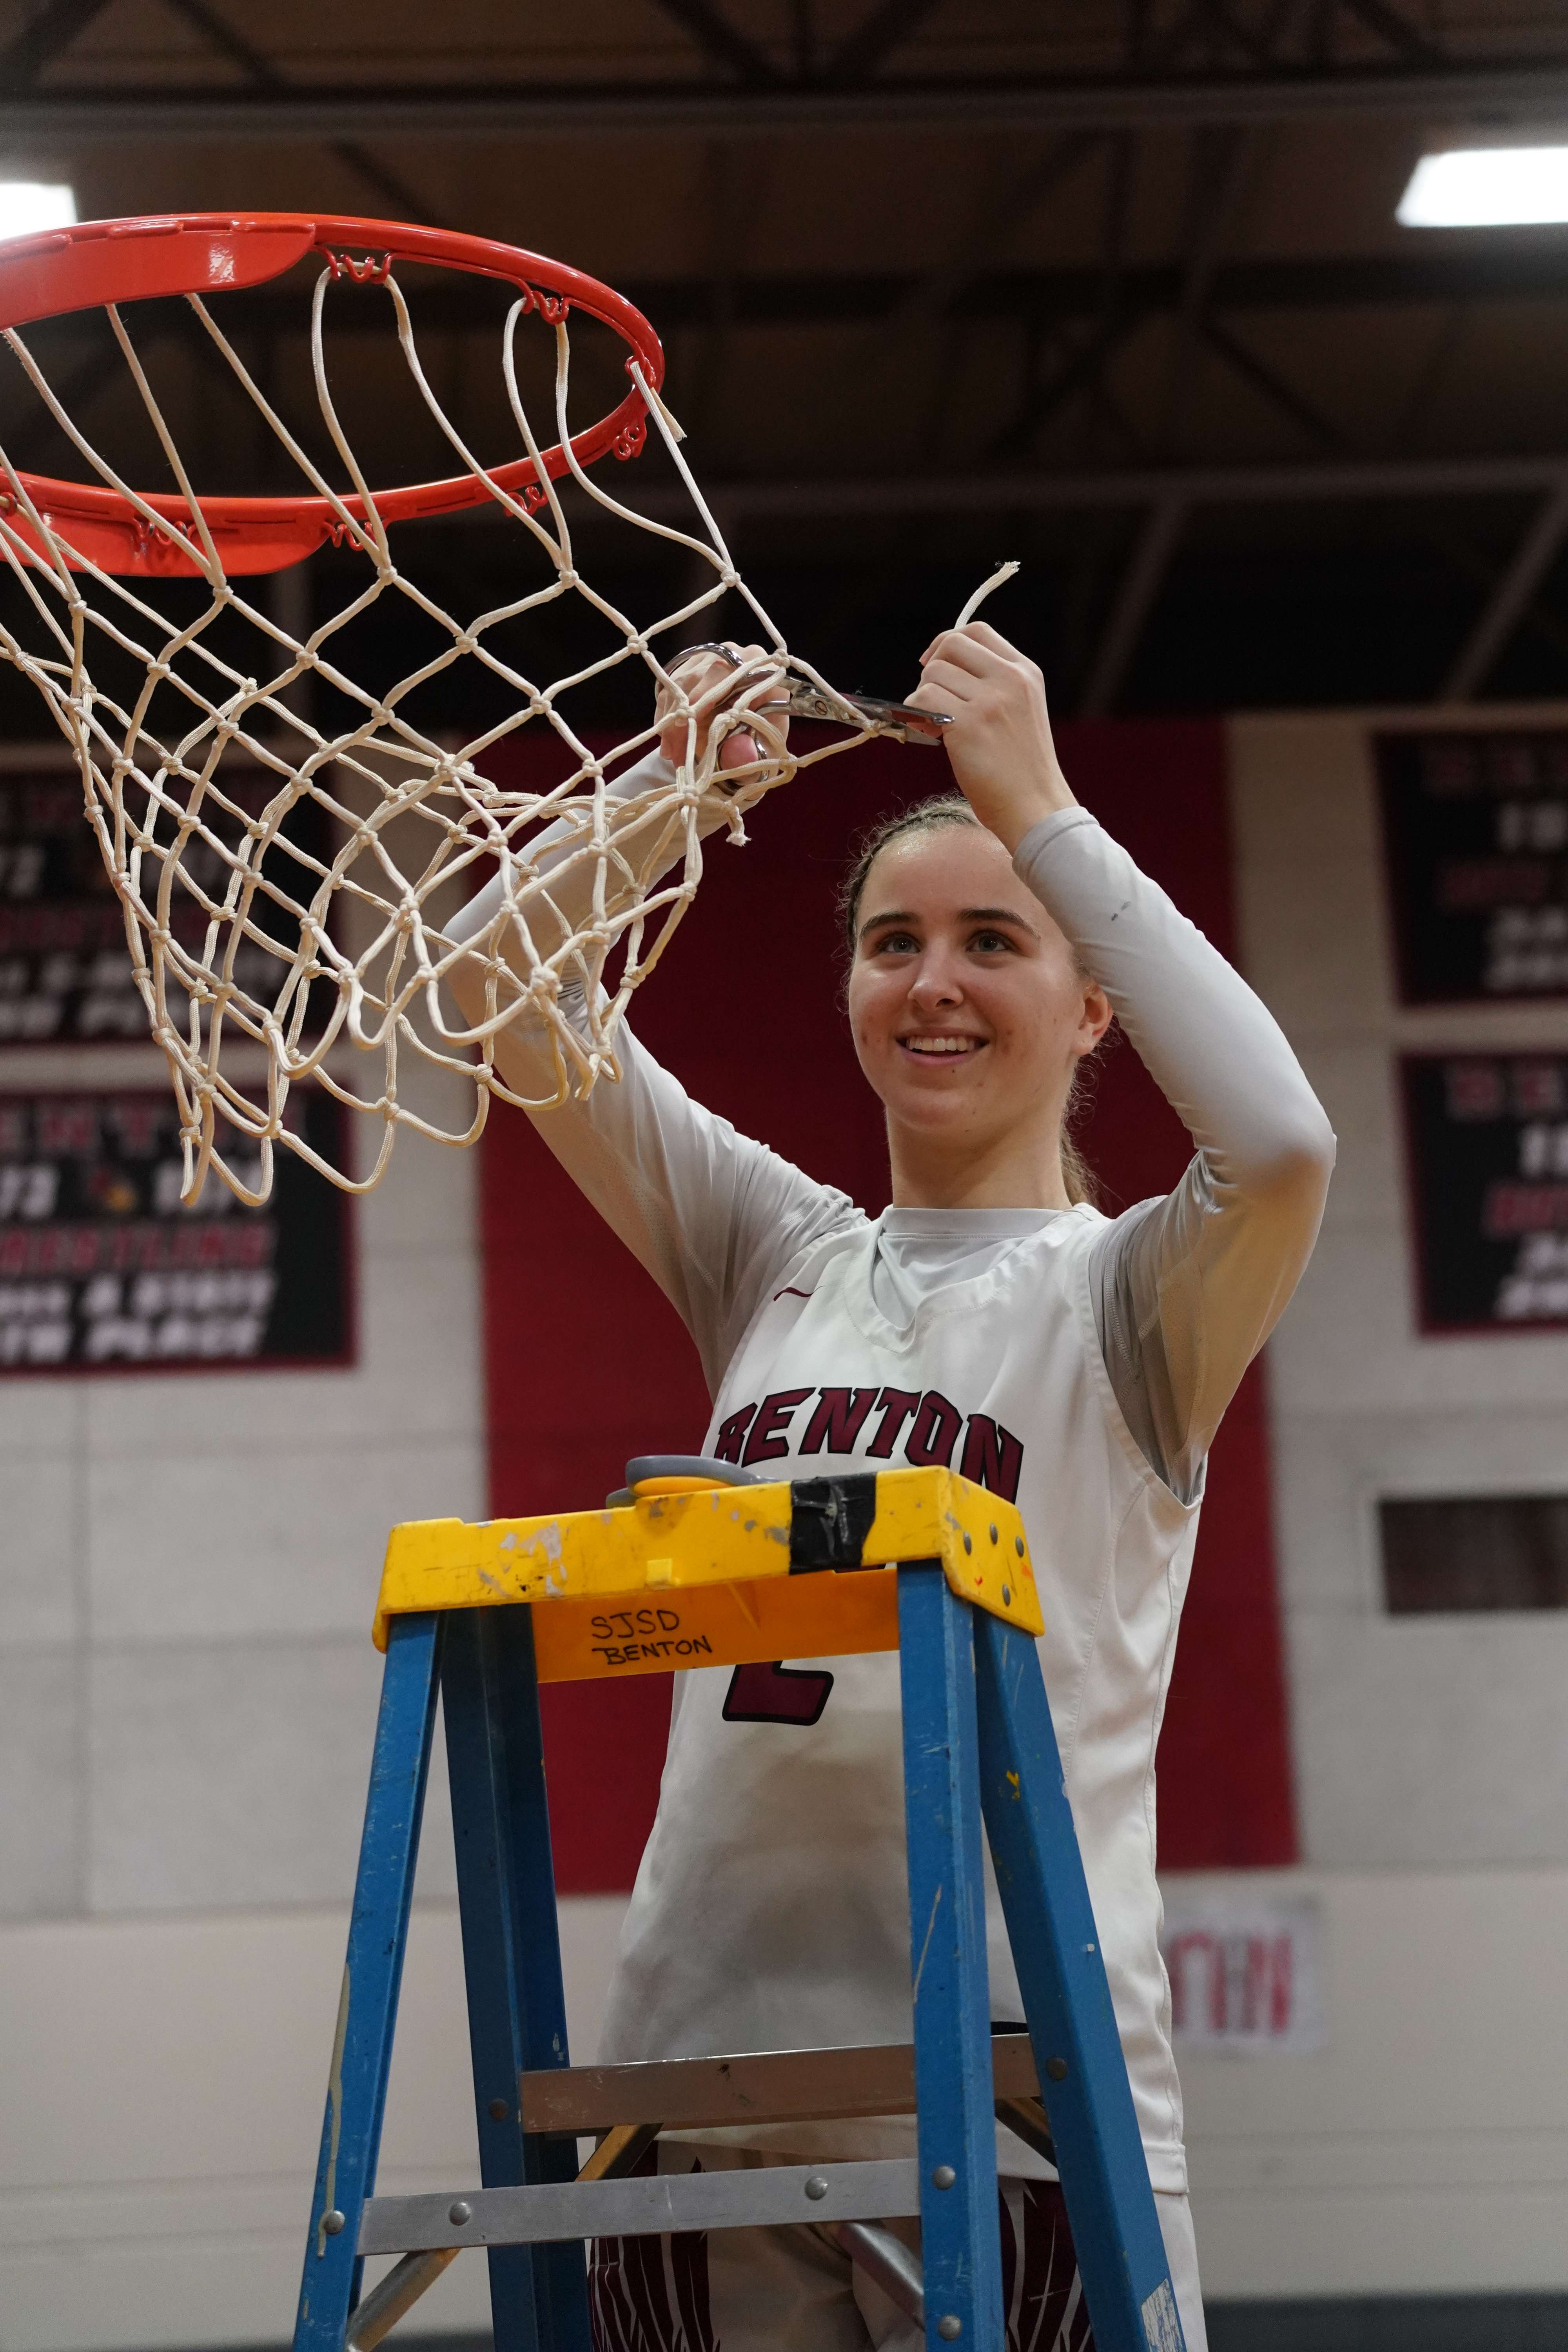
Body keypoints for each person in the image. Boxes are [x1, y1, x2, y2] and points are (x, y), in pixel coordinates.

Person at [448, 623, 1335, 2351]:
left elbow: (1284, 1143)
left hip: (1011, 2095)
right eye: (890, 943)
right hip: (696, 2082)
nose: (930, 982)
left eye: (991, 942)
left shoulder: (1131, 1291)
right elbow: (495, 985)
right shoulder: (771, 1250)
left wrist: (1047, 810)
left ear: (1095, 1006)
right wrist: (670, 795)